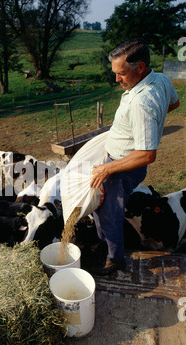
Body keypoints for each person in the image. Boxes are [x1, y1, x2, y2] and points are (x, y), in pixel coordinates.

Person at [89, 38, 180, 276]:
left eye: (122, 74)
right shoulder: (161, 79)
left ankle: (114, 258)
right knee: (102, 206)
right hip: (120, 159)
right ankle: (106, 243)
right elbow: (175, 102)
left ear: (140, 68)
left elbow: (147, 155)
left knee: (109, 211)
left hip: (123, 166)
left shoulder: (142, 102)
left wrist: (108, 169)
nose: (117, 79)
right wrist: (153, 122)